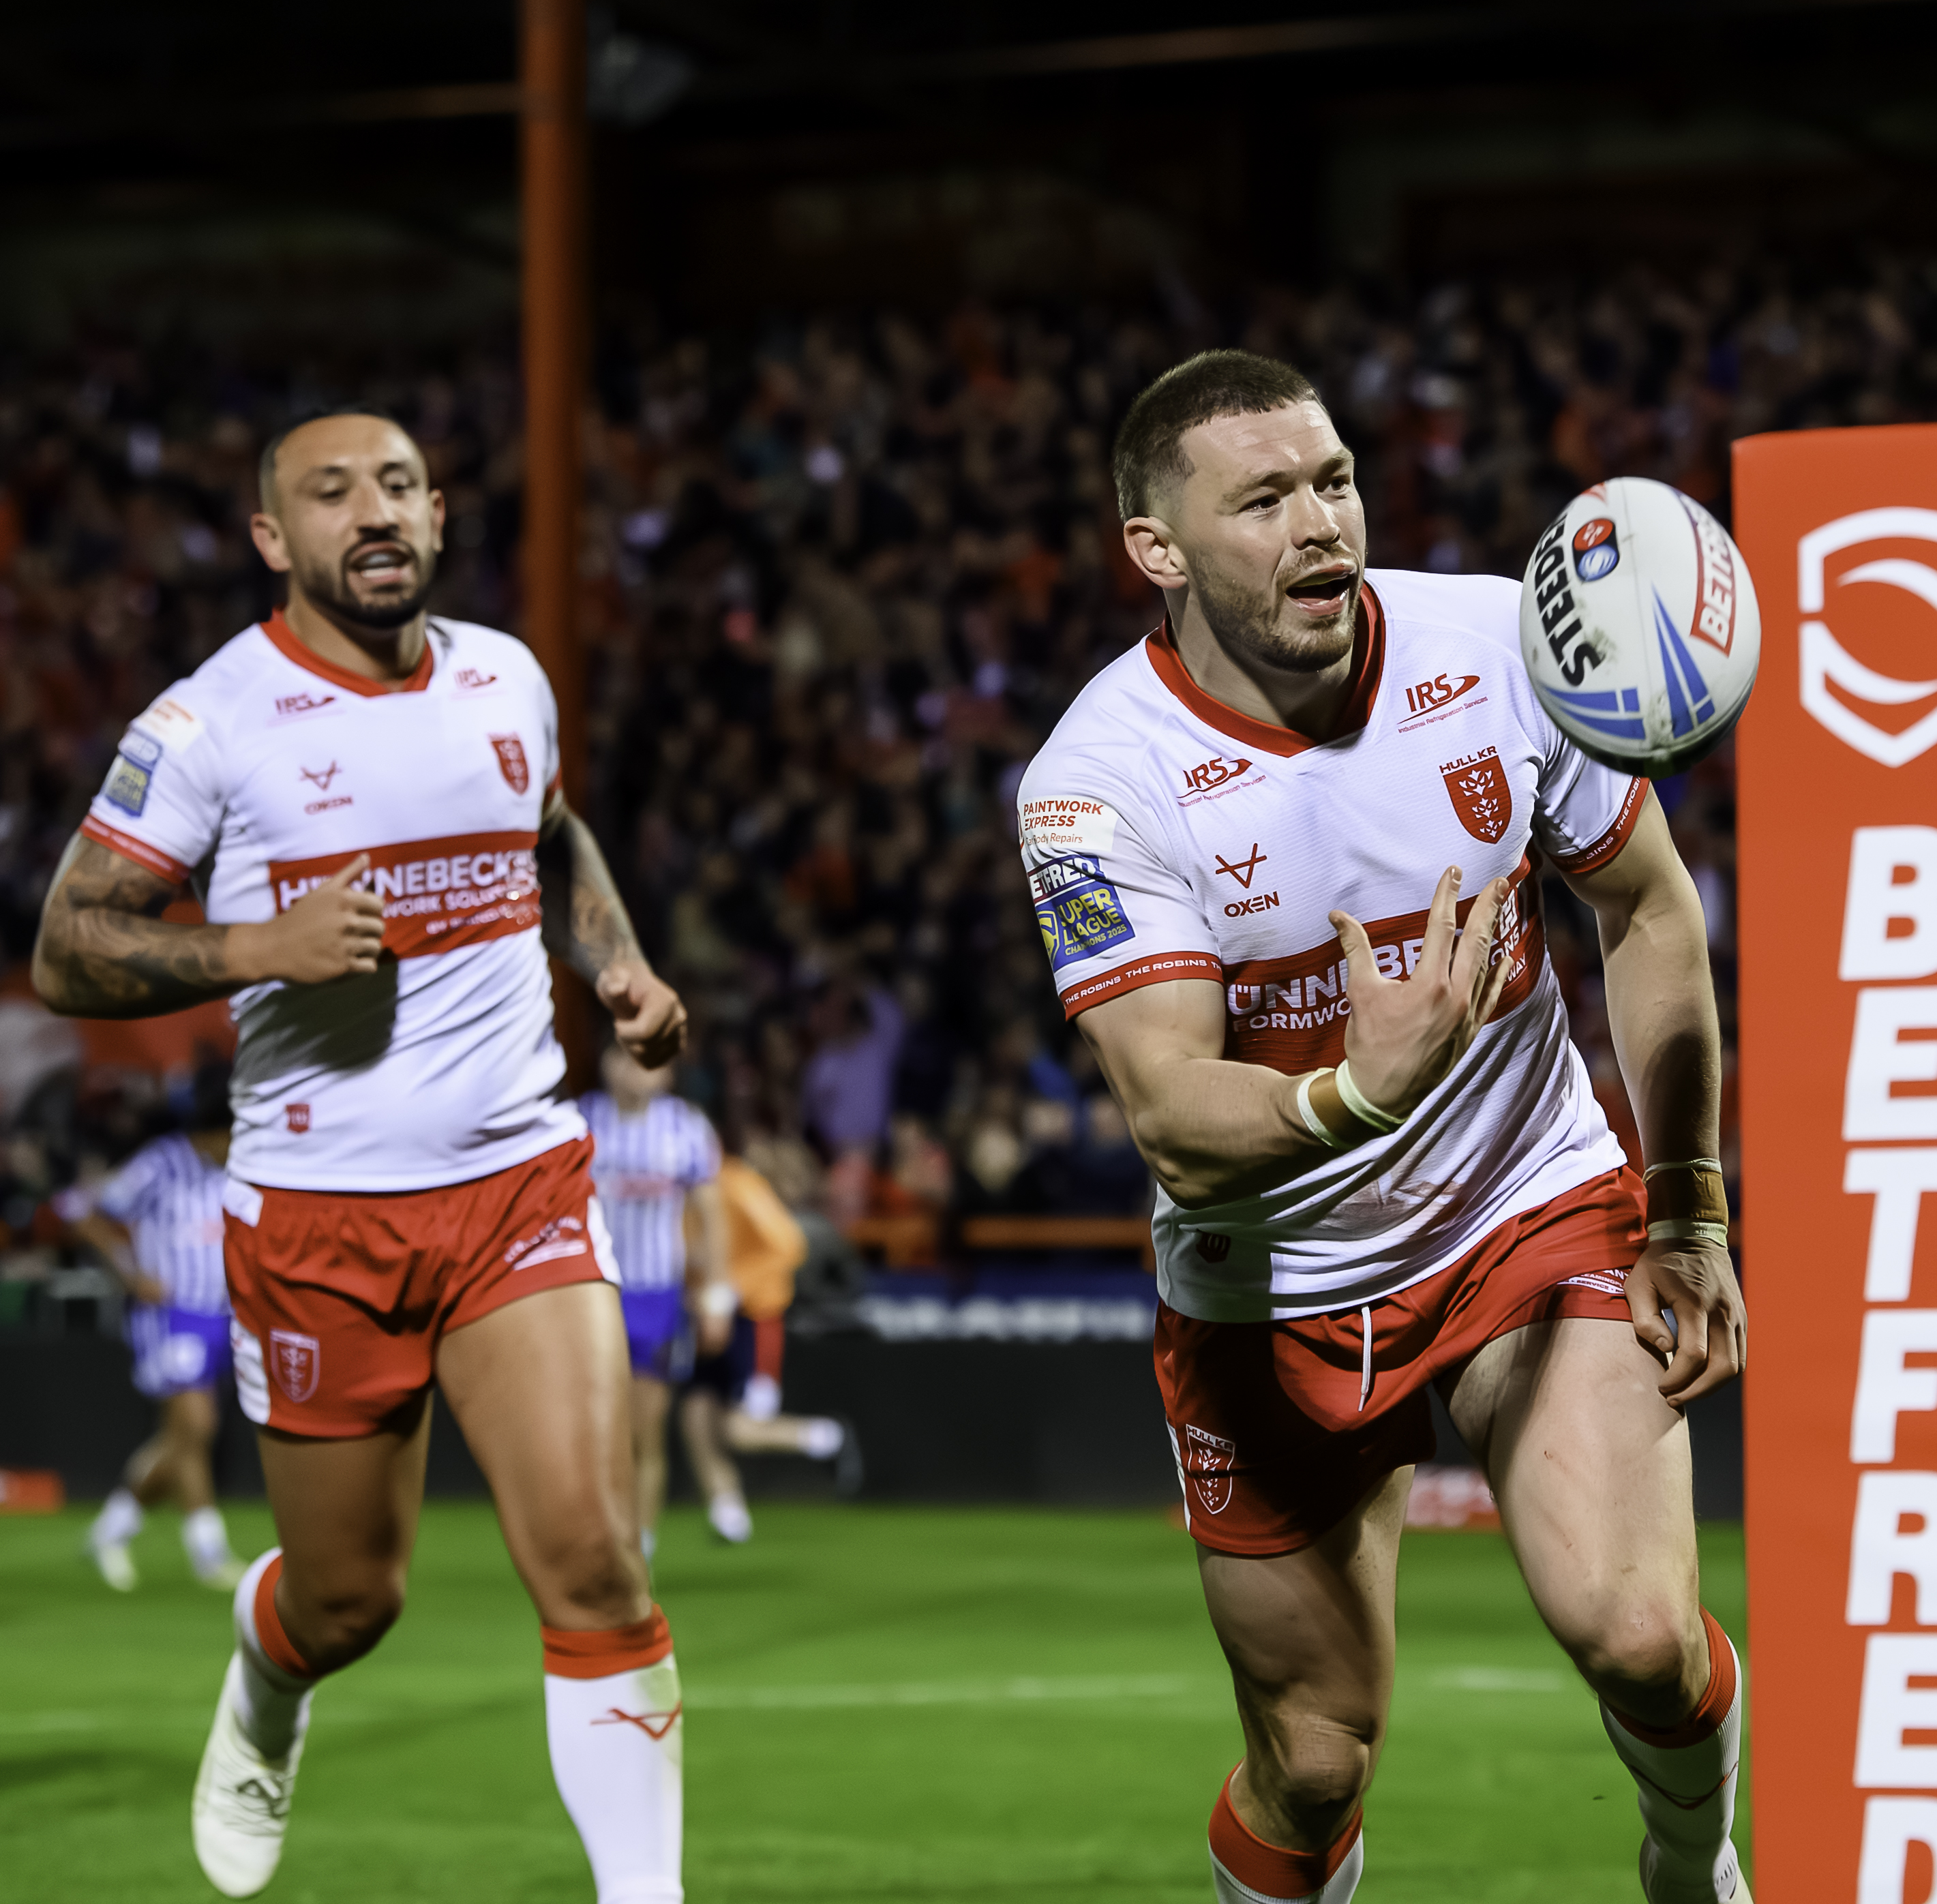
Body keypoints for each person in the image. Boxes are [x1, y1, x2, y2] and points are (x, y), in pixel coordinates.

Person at [1018, 350, 1749, 1903]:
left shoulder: (1497, 647)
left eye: (1334, 480)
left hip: (1522, 1207)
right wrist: (1365, 1085)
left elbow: (1651, 909)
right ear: (1157, 547)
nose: (1319, 523)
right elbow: (1169, 1111)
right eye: (1264, 498)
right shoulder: (1094, 786)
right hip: (1270, 1290)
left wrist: (1686, 1205)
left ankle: (1694, 1865)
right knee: (1315, 1761)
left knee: (1638, 1633)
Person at [32, 409, 693, 1900]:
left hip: (520, 1181)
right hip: (319, 1220)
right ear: (274, 540)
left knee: (592, 1560)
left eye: (395, 485)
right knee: (349, 1599)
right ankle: (270, 1681)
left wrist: (620, 970)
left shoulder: (505, 678)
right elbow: (69, 946)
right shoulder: (212, 723)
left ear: (440, 513)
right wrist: (255, 944)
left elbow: (549, 834)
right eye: (328, 495)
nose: (371, 512)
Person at [75, 1062, 243, 1592]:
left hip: (221, 1313)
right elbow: (83, 1211)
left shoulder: (234, 1168)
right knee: (195, 1423)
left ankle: (112, 1528)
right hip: (170, 1312)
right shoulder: (160, 1164)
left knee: (182, 1435)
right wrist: (131, 1273)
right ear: (210, 1131)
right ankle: (207, 1550)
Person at [584, 1044, 726, 1563]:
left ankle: (638, 1543)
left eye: (645, 1060)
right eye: (620, 1058)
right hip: (593, 1293)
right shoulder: (582, 1121)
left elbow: (712, 1216)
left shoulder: (685, 1129)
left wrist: (717, 1294)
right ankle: (603, 1532)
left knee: (647, 1428)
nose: (632, 1070)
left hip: (656, 1297)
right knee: (599, 1428)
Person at [675, 1145, 854, 1544]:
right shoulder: (668, 1192)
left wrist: (731, 1289)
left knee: (739, 1427)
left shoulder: (735, 1183)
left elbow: (788, 1243)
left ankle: (825, 1437)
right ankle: (727, 1509)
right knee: (696, 1412)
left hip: (752, 1317)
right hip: (703, 1315)